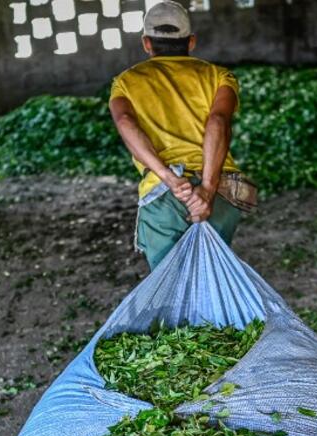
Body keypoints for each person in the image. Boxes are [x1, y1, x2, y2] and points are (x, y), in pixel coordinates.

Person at [109, 0, 256, 270]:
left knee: (171, 289)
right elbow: (218, 121)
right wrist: (207, 190)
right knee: (213, 279)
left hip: (165, 197)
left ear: (146, 43)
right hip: (220, 191)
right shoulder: (219, 76)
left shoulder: (126, 82)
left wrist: (170, 179)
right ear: (190, 42)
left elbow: (126, 122)